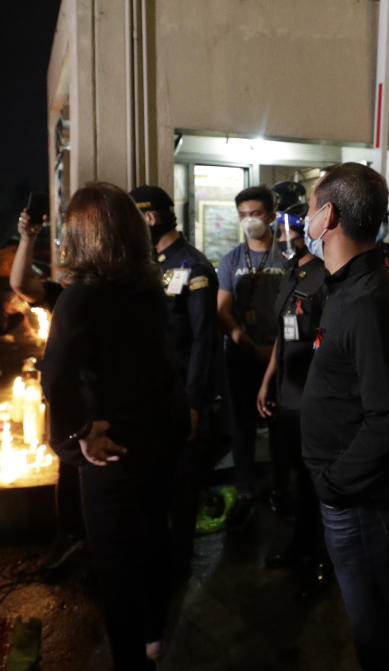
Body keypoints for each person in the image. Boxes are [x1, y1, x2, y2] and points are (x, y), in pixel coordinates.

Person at [39, 182, 189, 669]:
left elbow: (55, 379)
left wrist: (79, 433)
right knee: (152, 541)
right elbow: (164, 366)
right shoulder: (146, 292)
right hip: (158, 439)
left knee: (115, 564)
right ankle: (152, 635)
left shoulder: (79, 299)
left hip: (114, 452)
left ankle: (132, 656)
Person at [300, 162, 389, 670]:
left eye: (309, 208)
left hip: (362, 503)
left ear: (327, 216)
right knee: (372, 622)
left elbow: (386, 417)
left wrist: (333, 484)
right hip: (351, 494)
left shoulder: (366, 301)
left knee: (378, 633)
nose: (304, 219)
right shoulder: (346, 287)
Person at [129, 185, 219, 575]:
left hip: (181, 396)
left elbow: (203, 339)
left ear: (150, 218)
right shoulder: (145, 264)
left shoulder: (192, 266)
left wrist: (194, 403)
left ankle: (179, 564)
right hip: (150, 396)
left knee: (182, 486)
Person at [256, 201, 328, 592]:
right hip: (286, 394)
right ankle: (299, 545)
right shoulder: (289, 274)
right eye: (279, 231)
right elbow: (284, 339)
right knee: (293, 479)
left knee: (314, 480)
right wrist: (268, 380)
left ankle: (320, 553)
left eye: (289, 231)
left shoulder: (323, 278)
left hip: (311, 400)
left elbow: (325, 344)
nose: (283, 238)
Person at [10, 209, 85, 573]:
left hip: (100, 412)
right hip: (71, 410)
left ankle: (94, 550)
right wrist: (27, 238)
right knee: (68, 474)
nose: (67, 257)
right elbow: (22, 285)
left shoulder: (112, 297)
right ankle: (71, 538)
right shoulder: (61, 297)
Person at [216, 185, 286, 520]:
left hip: (281, 353)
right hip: (242, 354)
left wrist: (274, 349)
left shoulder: (287, 256)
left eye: (256, 214)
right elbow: (222, 310)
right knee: (242, 425)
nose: (250, 220)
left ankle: (280, 487)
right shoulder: (231, 259)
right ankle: (245, 489)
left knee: (280, 424)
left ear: (271, 215)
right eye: (243, 215)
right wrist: (246, 342)